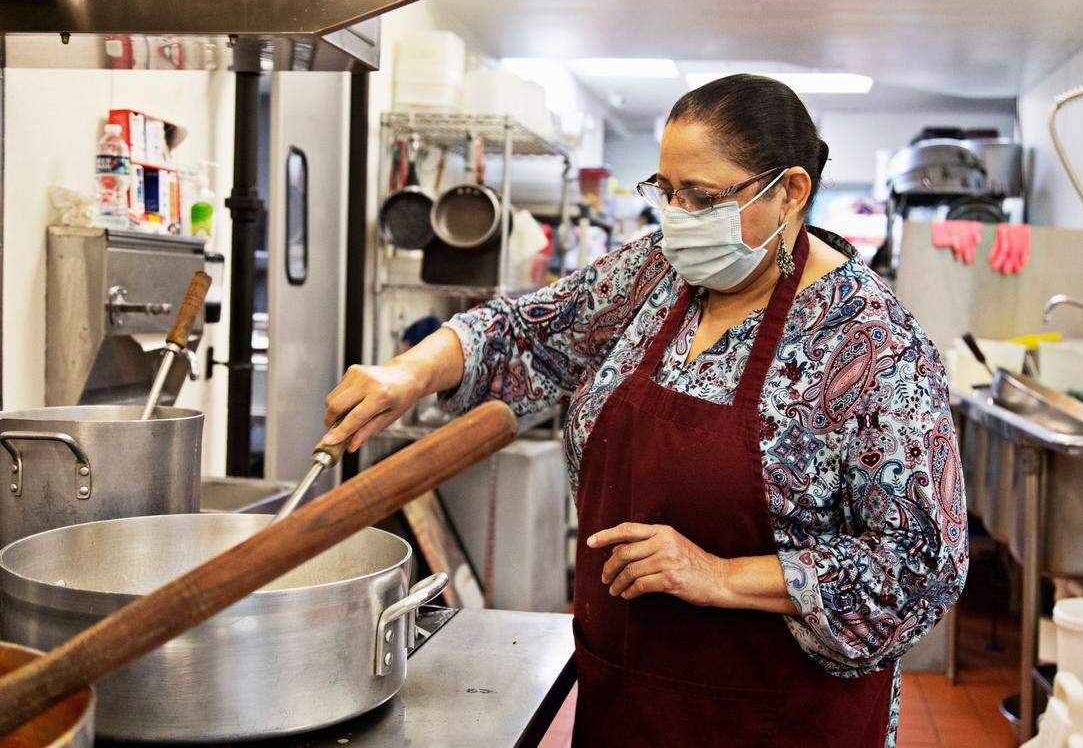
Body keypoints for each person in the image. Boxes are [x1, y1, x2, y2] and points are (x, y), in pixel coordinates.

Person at [323, 74, 967, 747]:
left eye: (703, 197)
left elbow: (921, 565)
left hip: (778, 719)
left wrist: (718, 574)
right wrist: (408, 372)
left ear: (791, 191)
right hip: (630, 702)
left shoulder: (873, 343)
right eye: (667, 191)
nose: (679, 217)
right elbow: (527, 331)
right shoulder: (657, 275)